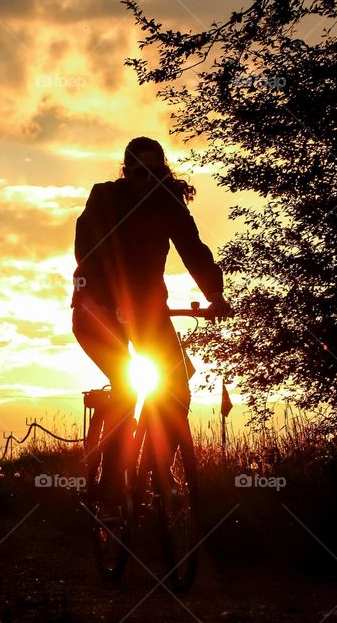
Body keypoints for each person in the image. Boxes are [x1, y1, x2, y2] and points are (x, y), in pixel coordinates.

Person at [72, 136, 231, 494]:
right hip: (96, 309)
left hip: (147, 311)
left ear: (164, 172)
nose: (149, 181)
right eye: (140, 173)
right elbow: (88, 249)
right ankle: (111, 487)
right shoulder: (105, 198)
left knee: (178, 388)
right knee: (126, 389)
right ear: (126, 173)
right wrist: (93, 299)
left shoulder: (168, 203)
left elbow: (192, 248)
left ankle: (156, 470)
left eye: (156, 172)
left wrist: (215, 293)